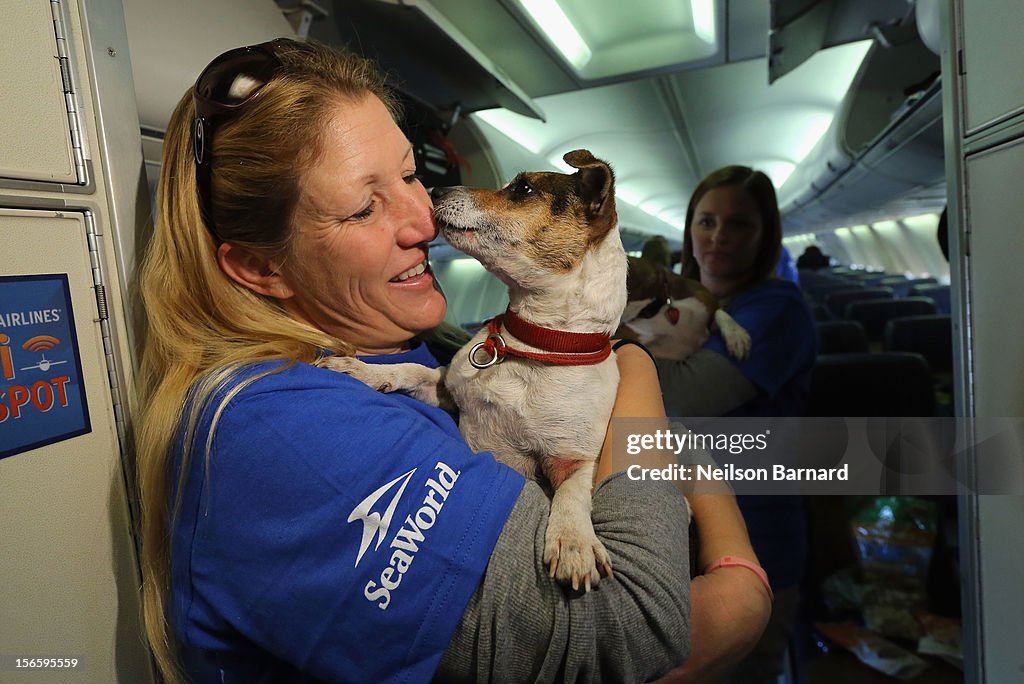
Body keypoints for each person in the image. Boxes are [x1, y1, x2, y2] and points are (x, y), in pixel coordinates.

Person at [135, 39, 771, 683]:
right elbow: (633, 630)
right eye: (363, 207)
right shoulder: (280, 433)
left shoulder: (435, 343)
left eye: (411, 174)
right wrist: (741, 586)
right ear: (260, 266)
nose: (422, 217)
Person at [654, 166, 817, 683]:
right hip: (671, 542)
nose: (718, 237)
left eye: (739, 224)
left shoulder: (777, 308)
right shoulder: (672, 304)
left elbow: (685, 394)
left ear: (765, 234)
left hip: (754, 538)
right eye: (706, 222)